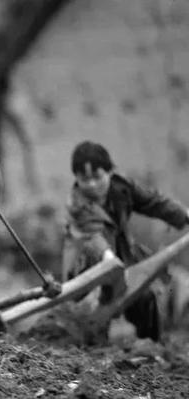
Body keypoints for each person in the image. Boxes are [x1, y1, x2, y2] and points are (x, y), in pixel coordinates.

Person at [61, 140, 189, 341]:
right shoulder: (78, 206)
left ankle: (151, 343)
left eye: (97, 177)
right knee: (94, 312)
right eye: (85, 179)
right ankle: (93, 350)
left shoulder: (123, 188)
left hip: (122, 255)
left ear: (110, 172)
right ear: (76, 178)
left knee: (145, 296)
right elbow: (92, 238)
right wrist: (108, 259)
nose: (92, 185)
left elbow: (153, 202)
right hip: (87, 268)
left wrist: (183, 215)